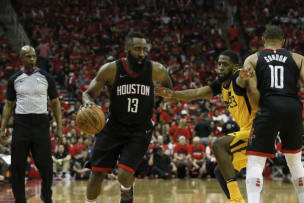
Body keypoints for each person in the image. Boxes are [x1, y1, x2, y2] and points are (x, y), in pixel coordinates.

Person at [155, 50, 259, 203]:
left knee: (218, 145)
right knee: (219, 171)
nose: (220, 67)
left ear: (235, 67)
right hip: (247, 133)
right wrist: (174, 94)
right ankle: (238, 200)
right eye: (218, 64)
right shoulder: (220, 84)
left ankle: (236, 200)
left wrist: (244, 77)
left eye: (225, 64)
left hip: (257, 131)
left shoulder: (237, 78)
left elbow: (241, 81)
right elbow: (197, 92)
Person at [82, 32, 173, 203]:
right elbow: (88, 93)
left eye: (145, 49)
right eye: (137, 49)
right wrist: (88, 103)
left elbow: (169, 86)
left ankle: (126, 189)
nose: (142, 53)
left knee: (124, 175)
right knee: (96, 174)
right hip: (113, 127)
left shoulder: (156, 69)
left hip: (140, 129)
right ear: (127, 49)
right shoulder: (111, 69)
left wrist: (165, 101)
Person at [243, 25, 304, 203]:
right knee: (295, 161)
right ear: (284, 41)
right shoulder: (298, 58)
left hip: (268, 105)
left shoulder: (252, 59)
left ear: (262, 40)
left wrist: (260, 110)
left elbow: (253, 92)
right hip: (292, 107)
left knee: (255, 162)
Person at [0, 45, 63, 203]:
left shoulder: (46, 77)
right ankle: (20, 200)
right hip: (21, 125)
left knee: (46, 166)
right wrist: (2, 128)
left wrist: (59, 128)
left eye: (34, 56)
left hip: (41, 124)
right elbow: (8, 105)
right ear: (21, 59)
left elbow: (55, 104)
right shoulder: (14, 79)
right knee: (17, 167)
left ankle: (46, 196)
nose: (32, 59)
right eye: (28, 56)